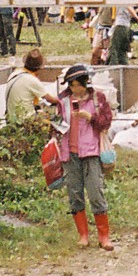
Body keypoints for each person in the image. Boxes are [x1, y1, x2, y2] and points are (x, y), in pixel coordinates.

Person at [53, 64, 116, 250]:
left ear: (85, 83)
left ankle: (104, 236)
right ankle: (83, 235)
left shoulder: (97, 98)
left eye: (77, 85)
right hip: (69, 152)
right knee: (75, 193)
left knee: (96, 192)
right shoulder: (63, 101)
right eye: (71, 86)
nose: (75, 90)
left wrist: (90, 117)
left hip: (91, 152)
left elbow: (106, 122)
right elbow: (56, 123)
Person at [1, 49, 55, 124]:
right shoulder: (32, 80)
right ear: (39, 68)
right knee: (52, 123)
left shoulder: (14, 73)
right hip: (24, 120)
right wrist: (62, 100)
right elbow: (50, 99)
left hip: (10, 119)